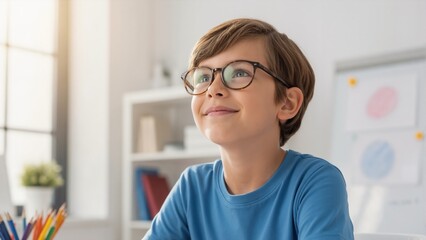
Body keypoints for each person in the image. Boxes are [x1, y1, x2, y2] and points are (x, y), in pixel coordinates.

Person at [143, 18, 354, 240]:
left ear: (287, 103)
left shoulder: (315, 181)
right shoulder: (192, 186)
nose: (213, 89)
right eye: (203, 77)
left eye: (239, 73)